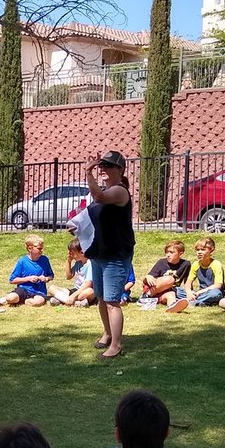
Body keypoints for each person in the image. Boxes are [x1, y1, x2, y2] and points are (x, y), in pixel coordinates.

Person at [82, 151, 134, 359]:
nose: (102, 169)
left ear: (120, 170)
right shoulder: (104, 189)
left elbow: (100, 197)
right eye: (101, 165)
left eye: (108, 166)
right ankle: (107, 333)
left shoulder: (120, 191)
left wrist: (88, 173)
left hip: (115, 254)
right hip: (99, 253)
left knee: (113, 301)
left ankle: (116, 345)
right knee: (102, 298)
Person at [0, 234, 54, 308]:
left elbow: (51, 275)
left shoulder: (44, 260)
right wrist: (28, 278)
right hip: (23, 289)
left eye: (42, 248)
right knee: (10, 299)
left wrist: (46, 278)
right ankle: (13, 298)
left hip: (39, 291)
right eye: (39, 249)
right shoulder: (22, 261)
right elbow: (12, 280)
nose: (41, 251)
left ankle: (24, 301)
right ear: (30, 248)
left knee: (38, 302)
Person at [141, 240, 191, 313]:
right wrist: (147, 276)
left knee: (171, 294)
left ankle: (173, 307)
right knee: (170, 279)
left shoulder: (186, 264)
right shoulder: (161, 262)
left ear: (180, 254)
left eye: (171, 252)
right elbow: (148, 279)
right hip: (153, 289)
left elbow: (187, 280)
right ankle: (145, 298)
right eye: (167, 252)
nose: (168, 254)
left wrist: (189, 291)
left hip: (166, 291)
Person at [48, 238, 95, 308]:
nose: (70, 255)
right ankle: (74, 302)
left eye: (72, 253)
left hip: (84, 290)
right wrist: (69, 261)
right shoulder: (78, 263)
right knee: (51, 288)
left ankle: (62, 300)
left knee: (90, 292)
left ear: (82, 252)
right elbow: (69, 276)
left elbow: (89, 284)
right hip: (75, 290)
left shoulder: (90, 264)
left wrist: (73, 296)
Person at [182, 237, 225, 308]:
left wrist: (198, 293)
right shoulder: (196, 264)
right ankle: (200, 301)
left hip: (211, 292)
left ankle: (192, 302)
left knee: (215, 294)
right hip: (200, 293)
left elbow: (218, 285)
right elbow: (188, 282)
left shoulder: (216, 264)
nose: (199, 252)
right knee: (176, 290)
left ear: (211, 250)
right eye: (197, 250)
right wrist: (189, 292)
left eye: (203, 250)